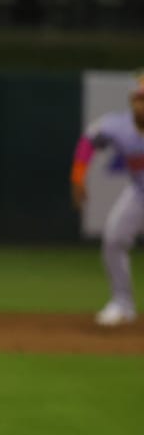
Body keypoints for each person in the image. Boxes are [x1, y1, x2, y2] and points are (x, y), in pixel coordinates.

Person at [71, 74, 144, 326]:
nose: (141, 104)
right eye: (138, 99)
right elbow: (89, 141)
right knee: (114, 238)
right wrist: (78, 176)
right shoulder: (117, 125)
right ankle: (122, 304)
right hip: (140, 194)